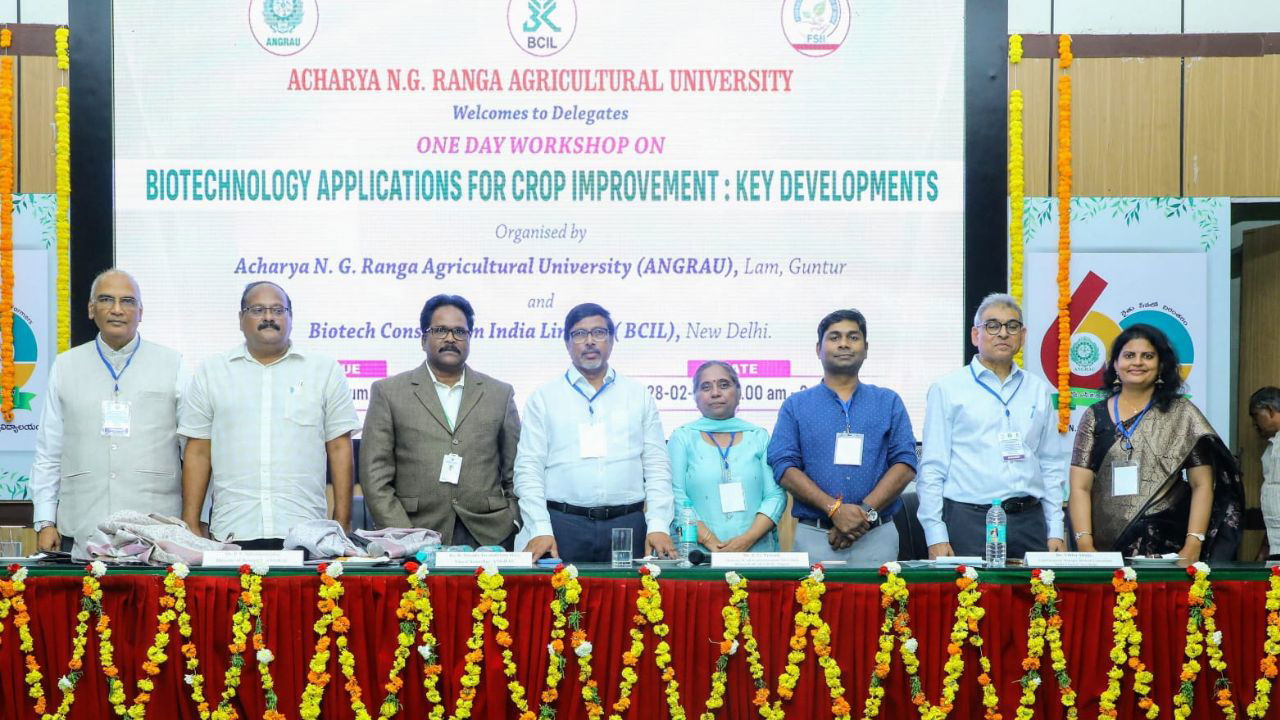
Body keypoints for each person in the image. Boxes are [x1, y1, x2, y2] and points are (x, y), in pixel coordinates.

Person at [179, 281, 360, 549]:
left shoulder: (324, 371)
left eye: (278, 309)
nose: (268, 317)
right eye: (257, 310)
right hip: (233, 530)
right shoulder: (212, 372)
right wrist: (191, 523)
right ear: (241, 319)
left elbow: (339, 447)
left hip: (305, 530)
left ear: (290, 318)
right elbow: (198, 451)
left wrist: (342, 522)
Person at [31, 269, 187, 552]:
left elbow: (194, 451)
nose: (117, 310)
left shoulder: (174, 364)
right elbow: (49, 449)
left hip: (156, 527)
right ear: (91, 309)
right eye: (106, 300)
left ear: (141, 311)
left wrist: (194, 518)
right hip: (81, 524)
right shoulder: (66, 366)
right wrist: (44, 520)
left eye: (127, 301)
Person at [514, 303, 676, 563]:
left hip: (628, 525)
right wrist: (540, 527)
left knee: (630, 603)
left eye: (599, 333)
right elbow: (529, 468)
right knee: (561, 603)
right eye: (579, 334)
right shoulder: (544, 398)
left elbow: (657, 465)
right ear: (567, 343)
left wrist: (658, 524)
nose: (590, 341)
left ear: (612, 340)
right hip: (562, 525)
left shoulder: (638, 395)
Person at [1068, 324, 1243, 561]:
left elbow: (1202, 483)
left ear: (1161, 366)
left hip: (1169, 545)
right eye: (1129, 355)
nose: (1137, 362)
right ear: (1115, 365)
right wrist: (1085, 544)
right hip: (1105, 549)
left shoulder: (1182, 414)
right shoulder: (1094, 415)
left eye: (1148, 356)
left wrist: (1193, 543)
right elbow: (1080, 486)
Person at [361, 294, 521, 547]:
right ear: (423, 339)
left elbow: (516, 470)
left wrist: (513, 519)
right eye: (440, 330)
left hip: (489, 533)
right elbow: (375, 474)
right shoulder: (389, 392)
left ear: (469, 339)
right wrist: (404, 535)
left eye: (459, 331)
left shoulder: (499, 394)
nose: (450, 338)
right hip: (415, 530)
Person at [918, 293, 1067, 559]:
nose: (1002, 333)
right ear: (976, 335)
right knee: (970, 599)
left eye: (1012, 326)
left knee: (1037, 600)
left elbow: (1051, 464)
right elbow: (932, 467)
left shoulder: (1038, 390)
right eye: (992, 325)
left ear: (1022, 336)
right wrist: (935, 534)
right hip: (969, 520)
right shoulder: (948, 388)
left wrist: (1055, 528)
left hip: (1029, 520)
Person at [768, 309, 917, 565]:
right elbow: (784, 466)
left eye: (853, 337)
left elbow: (905, 464)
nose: (844, 344)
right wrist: (834, 510)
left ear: (866, 348)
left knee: (881, 606)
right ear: (818, 348)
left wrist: (864, 514)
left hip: (877, 534)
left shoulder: (888, 401)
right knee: (813, 606)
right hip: (815, 536)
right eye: (835, 337)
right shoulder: (796, 405)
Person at [669, 361, 786, 552]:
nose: (715, 393)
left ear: (739, 393)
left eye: (724, 385)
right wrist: (709, 541)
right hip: (699, 552)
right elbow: (675, 495)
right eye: (706, 387)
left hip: (754, 550)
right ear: (695, 397)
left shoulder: (758, 436)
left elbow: (775, 495)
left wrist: (747, 540)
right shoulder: (682, 437)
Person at [1250, 386, 1280, 558]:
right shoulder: (1271, 447)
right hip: (1275, 544)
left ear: (1270, 410)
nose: (1254, 423)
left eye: (1255, 415)